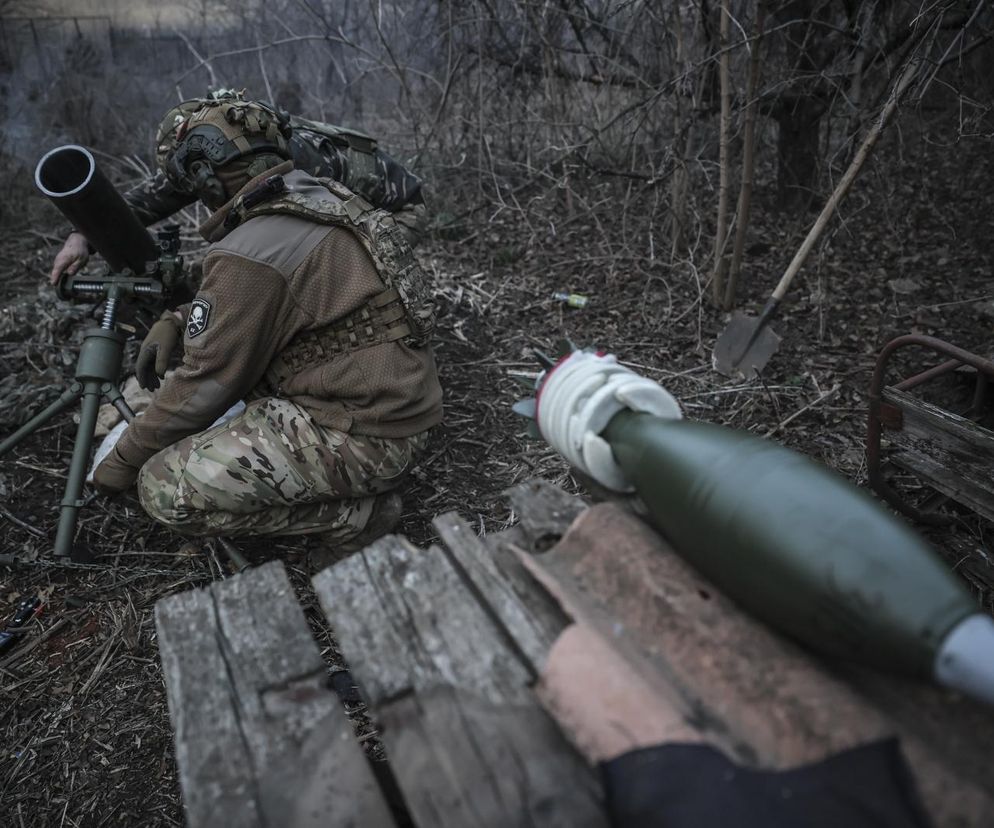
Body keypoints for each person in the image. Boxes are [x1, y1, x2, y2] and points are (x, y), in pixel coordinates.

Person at [90, 95, 442, 550]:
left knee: (161, 487)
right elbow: (272, 290)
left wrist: (121, 461)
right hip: (401, 407)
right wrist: (179, 317)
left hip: (368, 436)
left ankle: (357, 517)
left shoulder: (250, 248)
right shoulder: (321, 196)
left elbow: (202, 387)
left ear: (205, 178)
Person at [49, 88, 428, 284]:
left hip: (396, 211)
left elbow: (304, 246)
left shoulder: (300, 164)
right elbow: (152, 198)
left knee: (322, 280)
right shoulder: (218, 152)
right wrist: (82, 234)